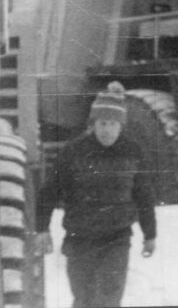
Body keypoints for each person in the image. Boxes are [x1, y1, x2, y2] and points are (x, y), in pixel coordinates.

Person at [33, 82, 157, 308]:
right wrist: (41, 229)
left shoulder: (133, 151)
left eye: (112, 124)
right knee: (84, 299)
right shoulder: (73, 152)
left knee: (109, 296)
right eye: (102, 123)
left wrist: (150, 234)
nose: (106, 129)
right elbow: (49, 191)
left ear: (121, 125)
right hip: (80, 238)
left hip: (116, 238)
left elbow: (144, 195)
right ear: (93, 124)